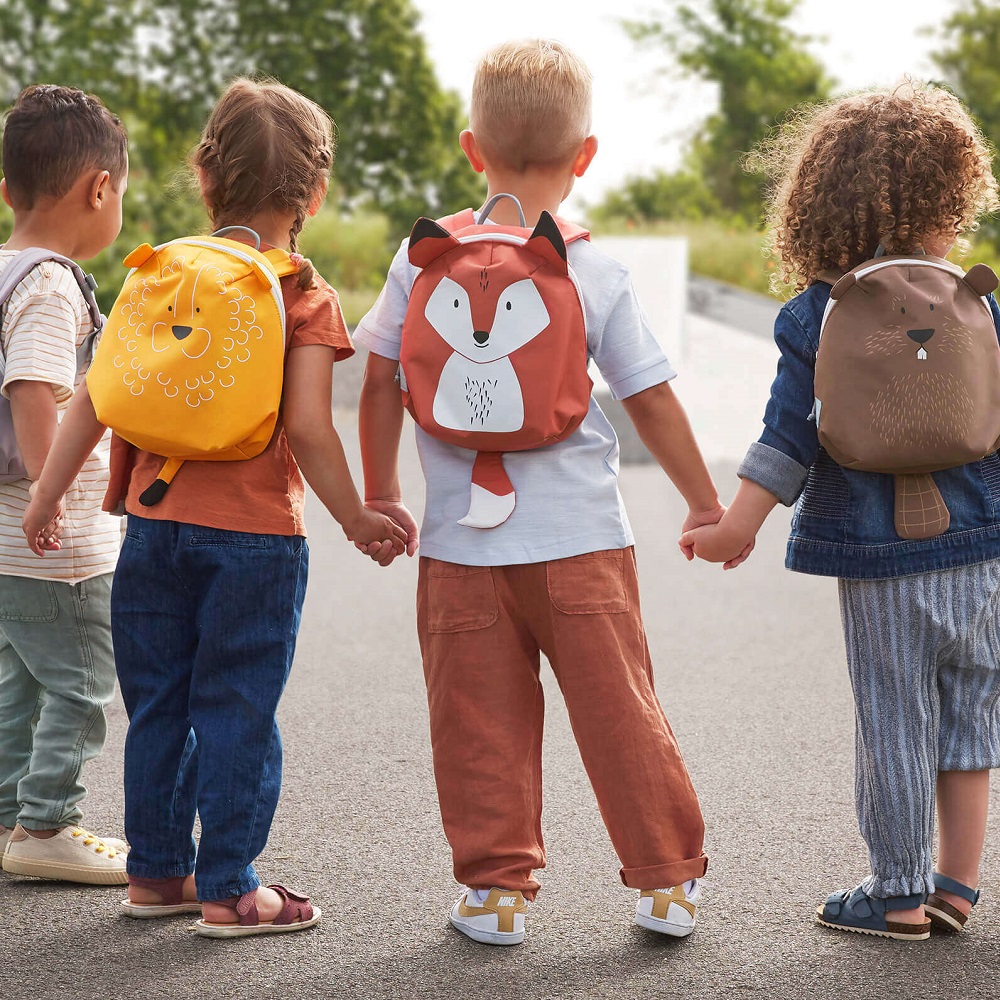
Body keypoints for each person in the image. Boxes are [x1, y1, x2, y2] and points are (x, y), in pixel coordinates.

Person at [23, 78, 407, 937]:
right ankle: (233, 887)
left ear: (205, 179)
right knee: (235, 708)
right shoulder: (301, 292)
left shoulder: (157, 276)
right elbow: (308, 427)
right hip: (257, 541)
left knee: (157, 704)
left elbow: (95, 397)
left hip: (150, 533)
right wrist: (355, 516)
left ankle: (158, 874)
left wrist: (48, 494)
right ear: (315, 192)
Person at [355, 39, 719, 945]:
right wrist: (704, 504)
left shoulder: (420, 256)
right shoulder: (587, 268)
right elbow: (651, 398)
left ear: (472, 148)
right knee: (619, 709)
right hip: (583, 540)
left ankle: (495, 891)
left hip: (459, 550)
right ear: (585, 156)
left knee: (477, 722)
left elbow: (376, 381)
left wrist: (379, 491)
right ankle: (667, 882)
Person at [681, 83, 1000, 940]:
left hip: (880, 561)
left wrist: (732, 527)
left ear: (819, 201)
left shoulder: (822, 312)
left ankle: (896, 894)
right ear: (952, 193)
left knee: (896, 722)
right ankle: (958, 887)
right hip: (984, 553)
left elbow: (788, 435)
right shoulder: (978, 300)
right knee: (972, 715)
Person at [0, 85, 130, 884]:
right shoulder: (51, 285)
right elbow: (33, 389)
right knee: (82, 684)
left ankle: (11, 816)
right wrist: (50, 496)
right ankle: (48, 823)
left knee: (19, 683)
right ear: (98, 189)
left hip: (6, 539)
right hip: (58, 543)